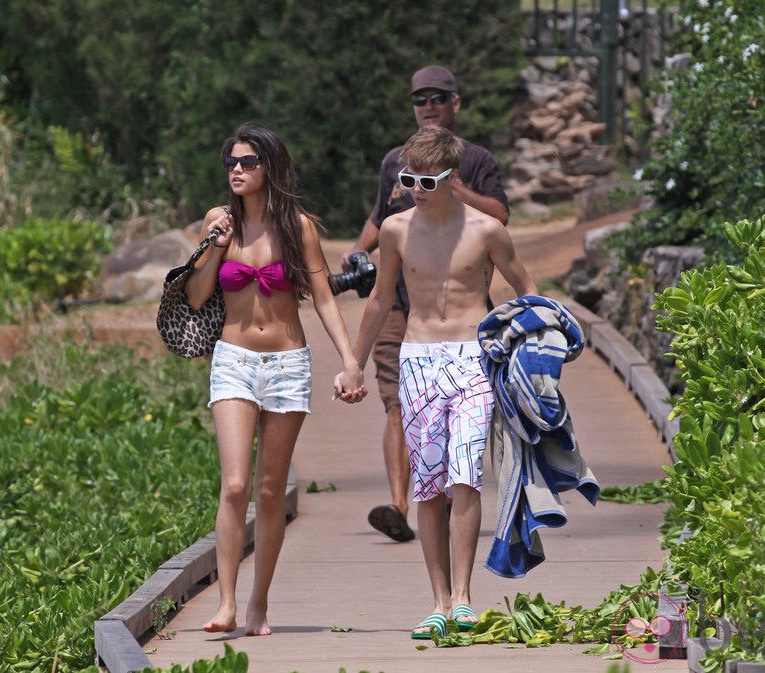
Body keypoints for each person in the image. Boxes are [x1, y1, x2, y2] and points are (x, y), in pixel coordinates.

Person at [338, 126, 537, 639]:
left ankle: (465, 597)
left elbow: (527, 289)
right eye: (407, 180)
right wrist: (355, 363)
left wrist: (542, 348)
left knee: (465, 472)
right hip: (419, 359)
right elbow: (381, 299)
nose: (414, 190)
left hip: (473, 356)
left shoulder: (487, 230)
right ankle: (438, 601)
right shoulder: (397, 230)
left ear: (451, 178)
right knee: (428, 485)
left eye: (426, 181)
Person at [185, 122, 366, 635]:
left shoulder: (299, 226)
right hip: (234, 359)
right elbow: (198, 296)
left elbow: (325, 297)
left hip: (288, 364)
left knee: (269, 491)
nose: (236, 171)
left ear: (270, 167)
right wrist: (215, 248)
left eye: (247, 162)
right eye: (230, 164)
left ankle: (258, 604)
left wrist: (349, 360)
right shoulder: (218, 221)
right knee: (236, 483)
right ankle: (225, 602)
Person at [342, 65, 509, 544]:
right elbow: (381, 217)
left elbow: (499, 215)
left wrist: (450, 186)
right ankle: (400, 504)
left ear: (455, 103)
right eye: (420, 99)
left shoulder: (477, 161)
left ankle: (455, 496)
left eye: (438, 97)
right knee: (395, 400)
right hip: (400, 304)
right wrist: (357, 252)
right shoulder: (395, 161)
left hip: (462, 317)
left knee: (462, 427)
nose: (429, 106)